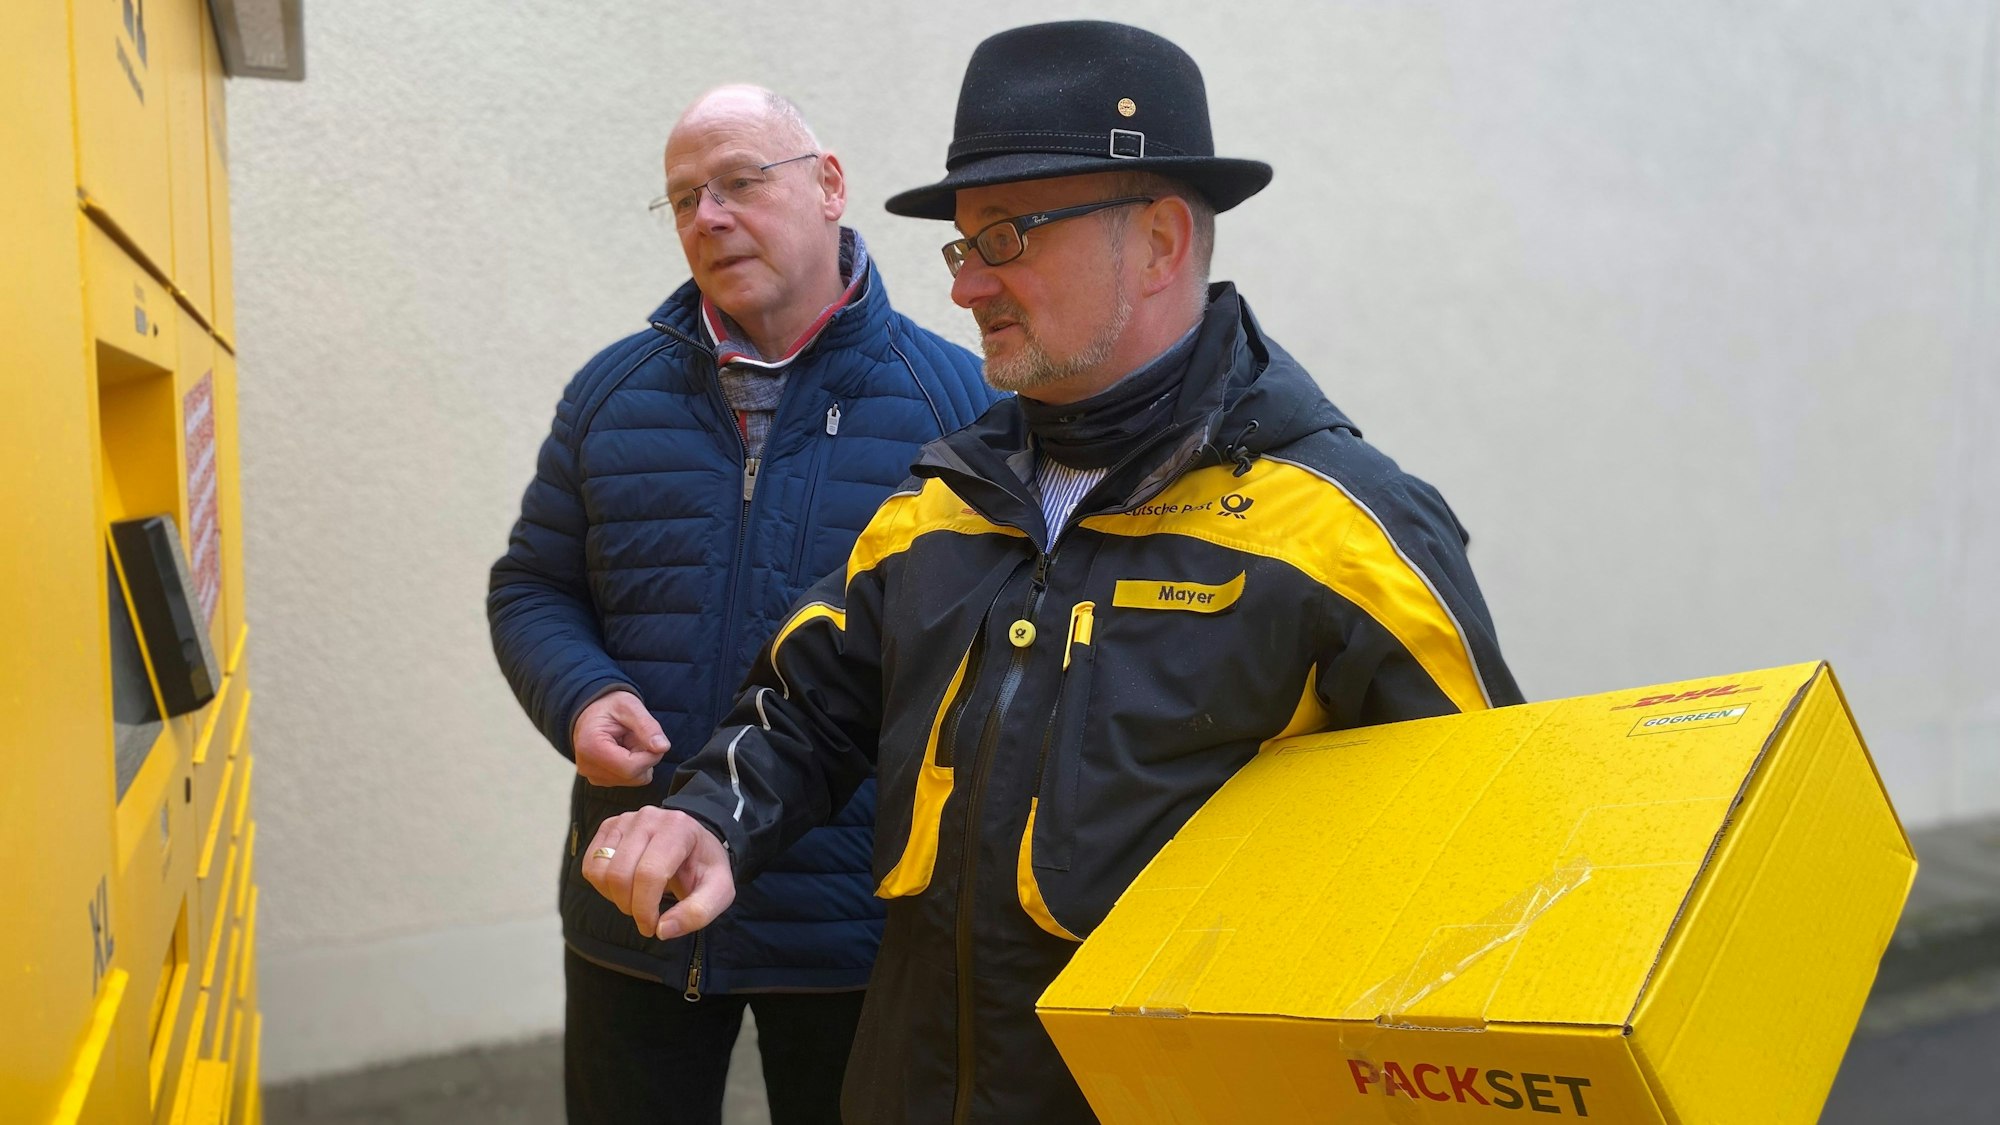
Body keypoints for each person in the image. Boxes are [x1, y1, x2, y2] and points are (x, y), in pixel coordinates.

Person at [581, 23, 1525, 1124]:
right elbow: (805, 713)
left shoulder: (1342, 533)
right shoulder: (938, 501)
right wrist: (707, 817)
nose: (965, 287)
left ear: (1161, 241)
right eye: (961, 247)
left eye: (1008, 237)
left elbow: (1473, 886)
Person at [487, 84, 993, 1125]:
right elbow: (532, 586)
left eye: (737, 183)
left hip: (854, 923)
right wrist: (579, 698)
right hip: (634, 899)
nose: (707, 217)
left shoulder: (963, 406)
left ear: (828, 188)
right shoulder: (610, 395)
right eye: (682, 200)